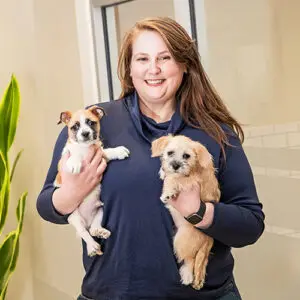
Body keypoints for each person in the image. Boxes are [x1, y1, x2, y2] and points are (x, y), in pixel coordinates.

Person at [36, 17, 265, 300]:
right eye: (142, 58)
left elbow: (251, 225)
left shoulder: (216, 133)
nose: (153, 69)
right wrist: (70, 193)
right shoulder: (93, 124)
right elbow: (46, 205)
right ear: (129, 68)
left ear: (184, 65)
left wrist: (199, 211)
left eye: (165, 58)